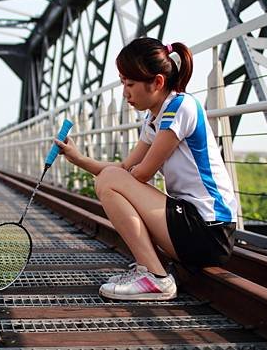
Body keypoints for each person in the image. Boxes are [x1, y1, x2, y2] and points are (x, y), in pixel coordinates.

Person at [54, 37, 237, 301]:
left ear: (158, 82)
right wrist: (77, 158)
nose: (125, 93)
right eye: (122, 84)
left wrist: (113, 176)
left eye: (130, 84)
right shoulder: (155, 117)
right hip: (191, 226)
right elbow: (124, 168)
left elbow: (140, 173)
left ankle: (156, 278)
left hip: (210, 231)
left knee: (110, 180)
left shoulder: (181, 107)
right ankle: (149, 270)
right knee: (110, 179)